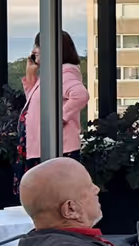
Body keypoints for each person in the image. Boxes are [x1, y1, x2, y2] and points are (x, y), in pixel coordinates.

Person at [22, 30, 89, 161]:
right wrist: (30, 74)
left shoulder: (63, 74)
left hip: (59, 150)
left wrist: (58, 119)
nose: (34, 50)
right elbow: (34, 103)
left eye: (38, 46)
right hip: (43, 149)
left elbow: (81, 95)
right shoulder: (50, 75)